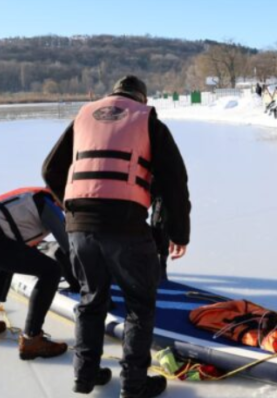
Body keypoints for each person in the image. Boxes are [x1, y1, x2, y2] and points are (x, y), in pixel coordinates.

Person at [42, 75, 191, 398]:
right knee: (139, 304)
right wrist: (179, 233)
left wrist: (72, 207)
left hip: (79, 226)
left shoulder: (82, 117)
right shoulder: (147, 120)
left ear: (113, 95)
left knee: (90, 300)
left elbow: (50, 170)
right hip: (125, 224)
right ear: (143, 99)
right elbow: (175, 183)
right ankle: (134, 385)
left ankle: (85, 376)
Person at [0, 187, 77, 360]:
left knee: (8, 262)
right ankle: (32, 339)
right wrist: (85, 284)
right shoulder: (47, 203)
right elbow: (69, 248)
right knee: (51, 271)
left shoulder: (30, 201)